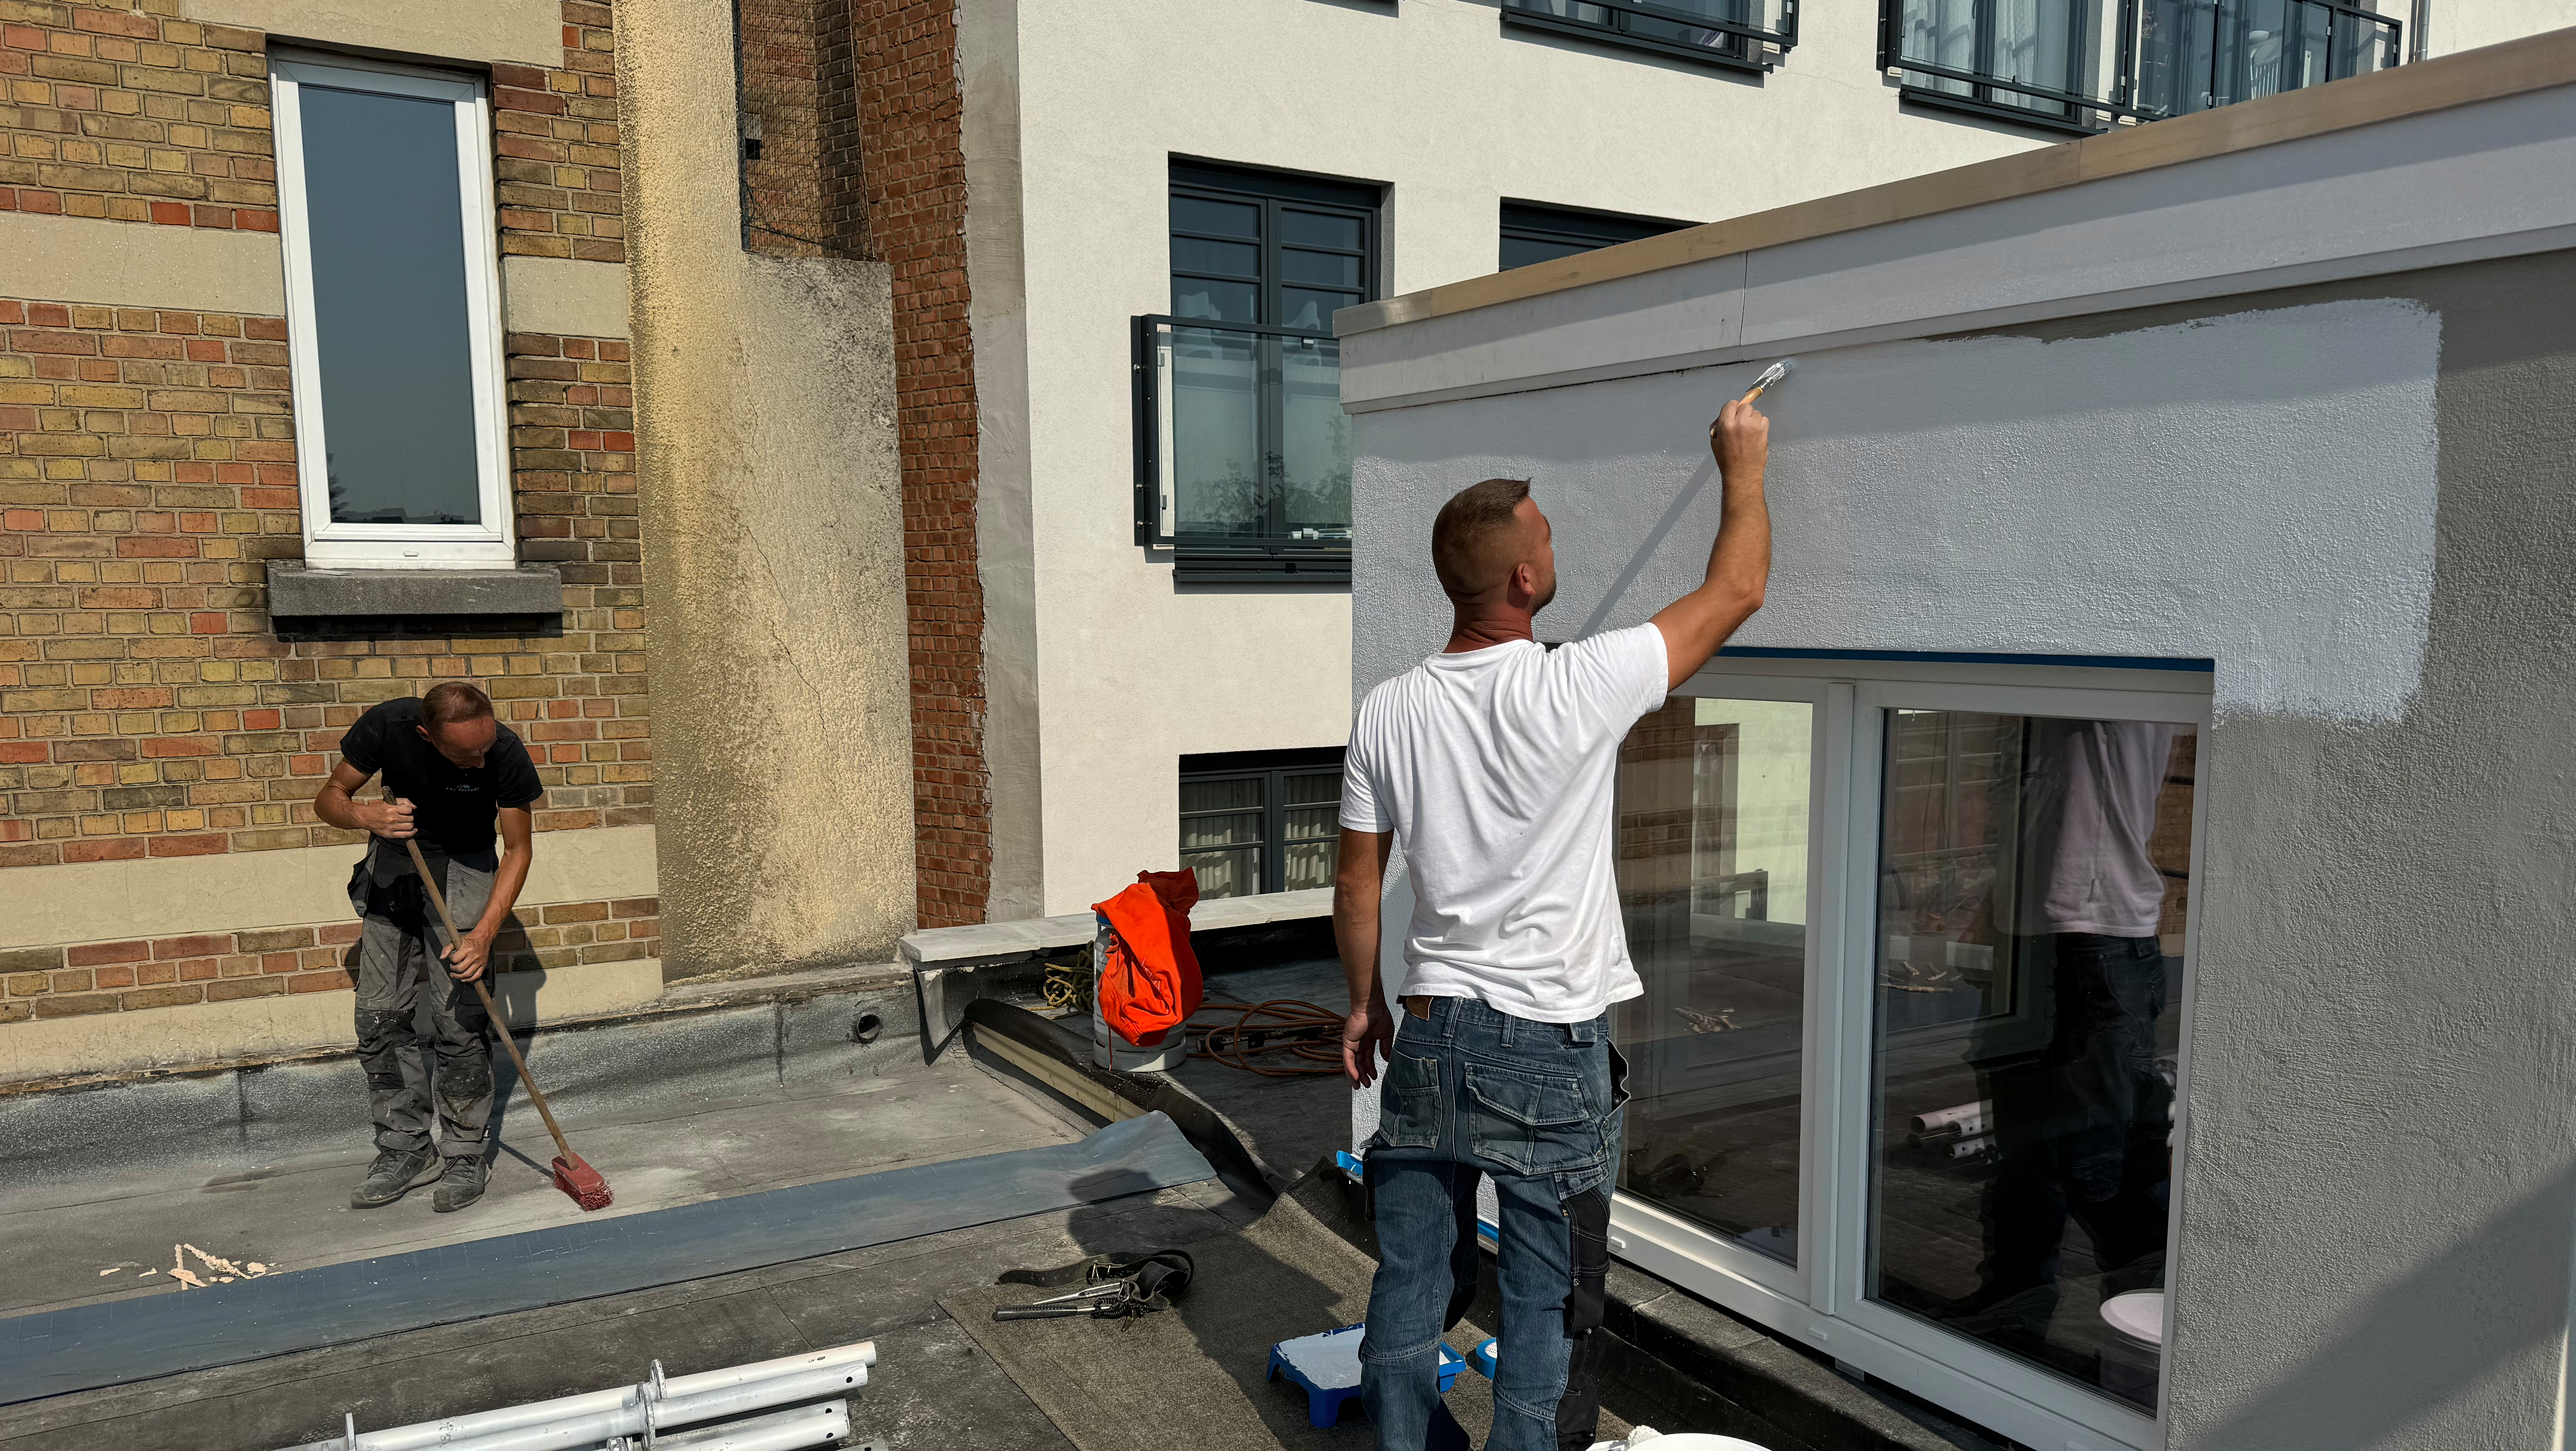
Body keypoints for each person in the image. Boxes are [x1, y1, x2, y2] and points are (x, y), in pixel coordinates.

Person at [1335, 393, 1775, 1451]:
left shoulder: (1389, 707)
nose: (1555, 549)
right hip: (1544, 1043)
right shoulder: (1578, 682)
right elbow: (1739, 588)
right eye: (1548, 540)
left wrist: (1363, 1005)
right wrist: (1744, 465)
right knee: (1543, 1309)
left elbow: (1357, 884)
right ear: (1523, 580)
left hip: (1431, 1030)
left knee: (1408, 1280)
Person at [313, 682, 543, 1213]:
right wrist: (366, 817)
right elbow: (329, 799)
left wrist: (484, 935)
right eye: (468, 752)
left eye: (485, 745)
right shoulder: (387, 727)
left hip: (466, 872)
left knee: (460, 1021)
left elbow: (519, 848)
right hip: (395, 872)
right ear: (426, 734)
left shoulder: (504, 750)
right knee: (379, 1019)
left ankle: (464, 1150)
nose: (481, 757)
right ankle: (404, 1148)